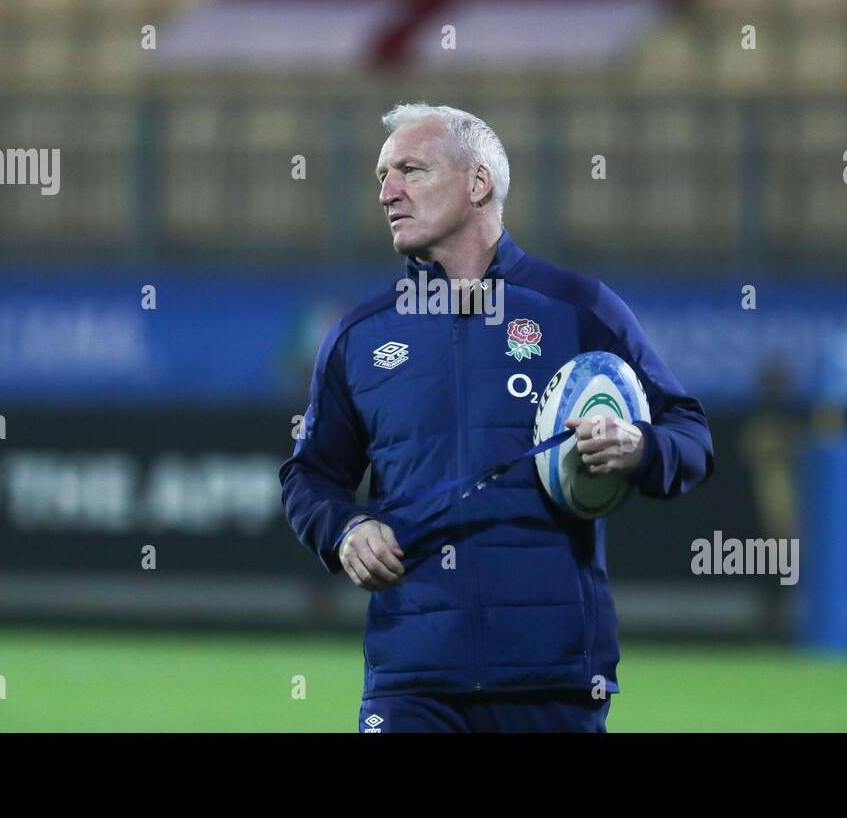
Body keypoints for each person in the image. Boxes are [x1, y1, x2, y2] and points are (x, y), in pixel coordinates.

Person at [279, 103, 713, 732]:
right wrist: (345, 531)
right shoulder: (359, 336)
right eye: (381, 175)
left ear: (478, 183)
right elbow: (309, 476)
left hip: (552, 677)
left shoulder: (579, 309)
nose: (386, 192)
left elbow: (690, 435)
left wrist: (638, 444)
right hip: (412, 681)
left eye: (410, 170)